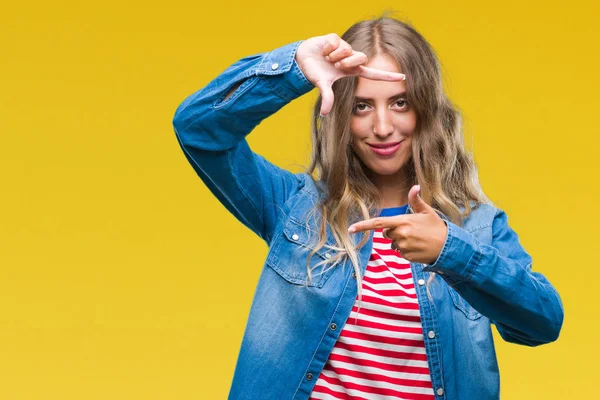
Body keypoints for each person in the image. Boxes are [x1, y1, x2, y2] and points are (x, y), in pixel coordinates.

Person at [172, 16, 564, 400]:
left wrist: (452, 251)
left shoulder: (474, 227)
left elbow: (542, 322)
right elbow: (198, 129)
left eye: (400, 103)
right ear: (342, 115)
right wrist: (293, 66)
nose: (381, 126)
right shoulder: (298, 208)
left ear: (425, 110)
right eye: (361, 106)